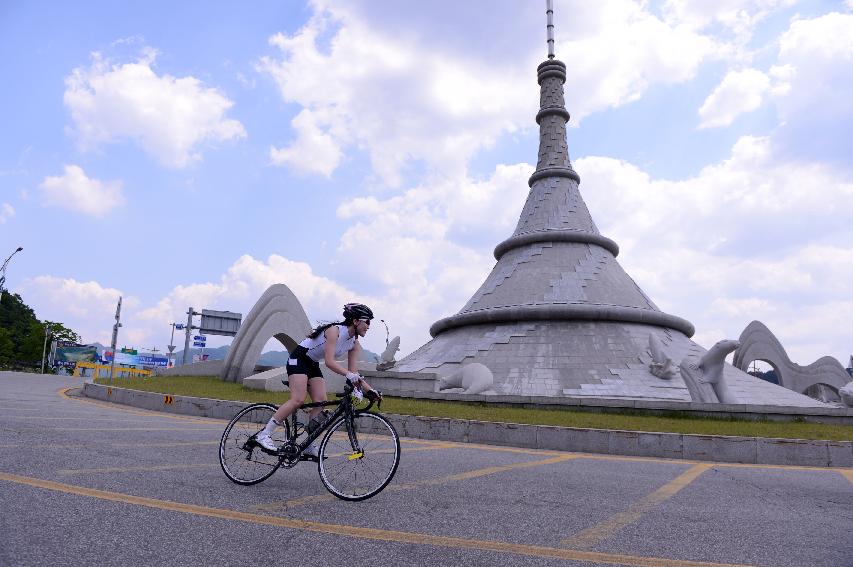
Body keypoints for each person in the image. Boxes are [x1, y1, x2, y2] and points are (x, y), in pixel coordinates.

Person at [256, 303, 381, 457]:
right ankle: (264, 434)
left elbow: (354, 373)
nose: (368, 326)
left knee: (321, 401)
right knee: (298, 399)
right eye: (367, 322)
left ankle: (308, 444)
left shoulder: (353, 344)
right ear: (355, 321)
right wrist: (348, 375)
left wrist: (370, 390)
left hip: (312, 363)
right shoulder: (334, 331)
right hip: (299, 358)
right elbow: (329, 362)